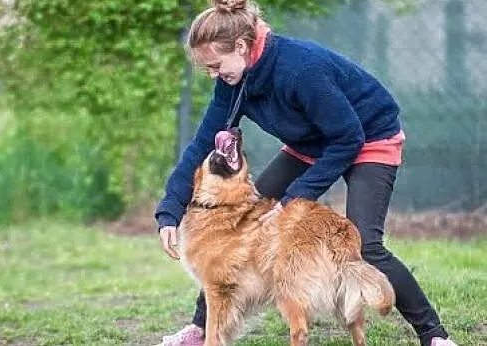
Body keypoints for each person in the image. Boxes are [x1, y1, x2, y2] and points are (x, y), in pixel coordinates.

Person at [154, 1, 457, 345]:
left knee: (367, 244)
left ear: (240, 46)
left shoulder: (300, 69)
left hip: (369, 138)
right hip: (310, 142)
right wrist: (170, 210)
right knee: (245, 219)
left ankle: (434, 335)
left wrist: (295, 197)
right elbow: (200, 146)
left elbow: (348, 137)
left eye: (215, 65)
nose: (213, 74)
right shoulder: (233, 80)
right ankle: (202, 329)